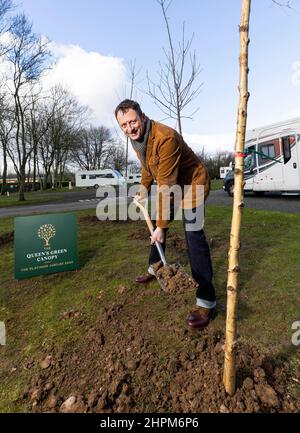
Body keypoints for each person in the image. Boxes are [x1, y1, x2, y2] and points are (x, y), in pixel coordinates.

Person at [115, 99, 216, 330]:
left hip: (192, 185)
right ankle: (156, 267)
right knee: (158, 222)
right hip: (170, 184)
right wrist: (142, 189)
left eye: (132, 122)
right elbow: (147, 166)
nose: (129, 128)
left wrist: (161, 225)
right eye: (123, 125)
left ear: (142, 116)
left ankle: (206, 300)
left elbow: (167, 187)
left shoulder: (165, 138)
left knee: (192, 235)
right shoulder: (138, 139)